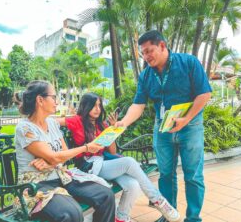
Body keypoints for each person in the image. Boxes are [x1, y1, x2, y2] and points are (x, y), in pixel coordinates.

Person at [115, 30, 212, 222]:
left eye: (149, 51)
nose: (146, 56)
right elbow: (138, 104)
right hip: (163, 128)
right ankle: (169, 215)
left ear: (162, 46)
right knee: (166, 175)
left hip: (190, 126)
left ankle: (193, 218)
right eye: (143, 53)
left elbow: (204, 94)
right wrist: (123, 123)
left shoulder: (189, 62)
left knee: (193, 176)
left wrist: (187, 118)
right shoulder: (146, 76)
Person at [57, 92, 181, 222]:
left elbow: (112, 151)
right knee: (129, 162)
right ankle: (158, 200)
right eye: (94, 106)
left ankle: (121, 218)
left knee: (133, 185)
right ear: (86, 106)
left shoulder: (101, 124)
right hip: (88, 167)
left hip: (103, 164)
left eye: (99, 105)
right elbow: (51, 121)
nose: (97, 109)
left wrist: (111, 131)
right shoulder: (76, 120)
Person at [14, 80, 116, 222]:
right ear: (40, 100)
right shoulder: (25, 128)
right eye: (54, 97)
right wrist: (86, 147)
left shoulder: (51, 123)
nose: (57, 101)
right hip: (37, 185)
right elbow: (55, 157)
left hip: (62, 176)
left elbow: (64, 153)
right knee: (71, 213)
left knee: (106, 195)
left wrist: (51, 162)